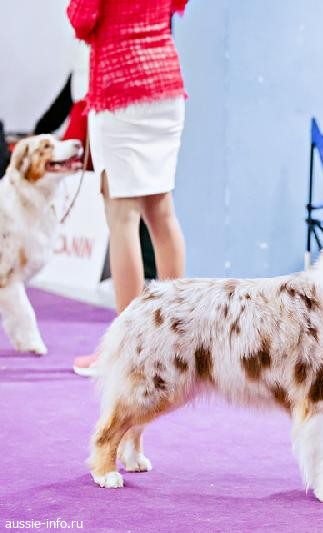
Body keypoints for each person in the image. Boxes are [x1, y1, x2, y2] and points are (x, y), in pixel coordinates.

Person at [67, 0, 189, 376]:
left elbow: (82, 18)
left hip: (119, 90)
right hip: (165, 86)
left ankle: (126, 349)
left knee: (122, 218)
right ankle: (178, 339)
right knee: (162, 214)